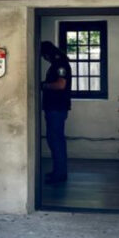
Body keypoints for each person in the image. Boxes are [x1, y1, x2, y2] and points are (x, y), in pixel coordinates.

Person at [40, 41, 72, 184]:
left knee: (56, 141)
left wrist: (43, 85)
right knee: (54, 140)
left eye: (44, 55)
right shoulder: (56, 64)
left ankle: (59, 174)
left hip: (56, 108)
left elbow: (61, 84)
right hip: (54, 108)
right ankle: (58, 171)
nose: (44, 58)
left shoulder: (60, 64)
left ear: (48, 53)